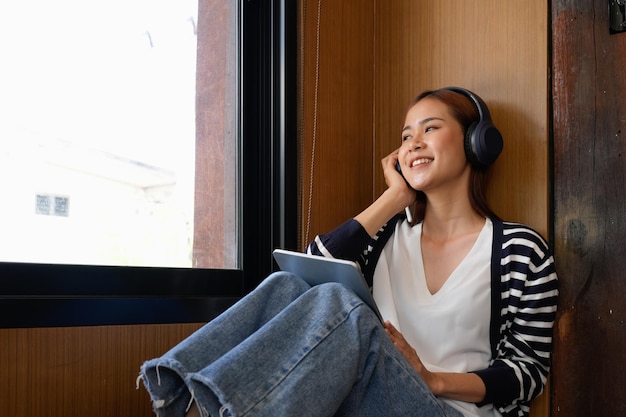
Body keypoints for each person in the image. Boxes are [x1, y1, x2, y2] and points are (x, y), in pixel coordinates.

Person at [137, 87, 558, 417]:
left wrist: (432, 380)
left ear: (475, 143)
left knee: (342, 306)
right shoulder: (388, 234)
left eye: (430, 129)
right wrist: (394, 199)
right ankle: (178, 391)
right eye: (405, 136)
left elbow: (526, 372)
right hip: (369, 399)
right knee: (289, 283)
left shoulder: (518, 250)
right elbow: (306, 279)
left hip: (449, 409)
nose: (413, 144)